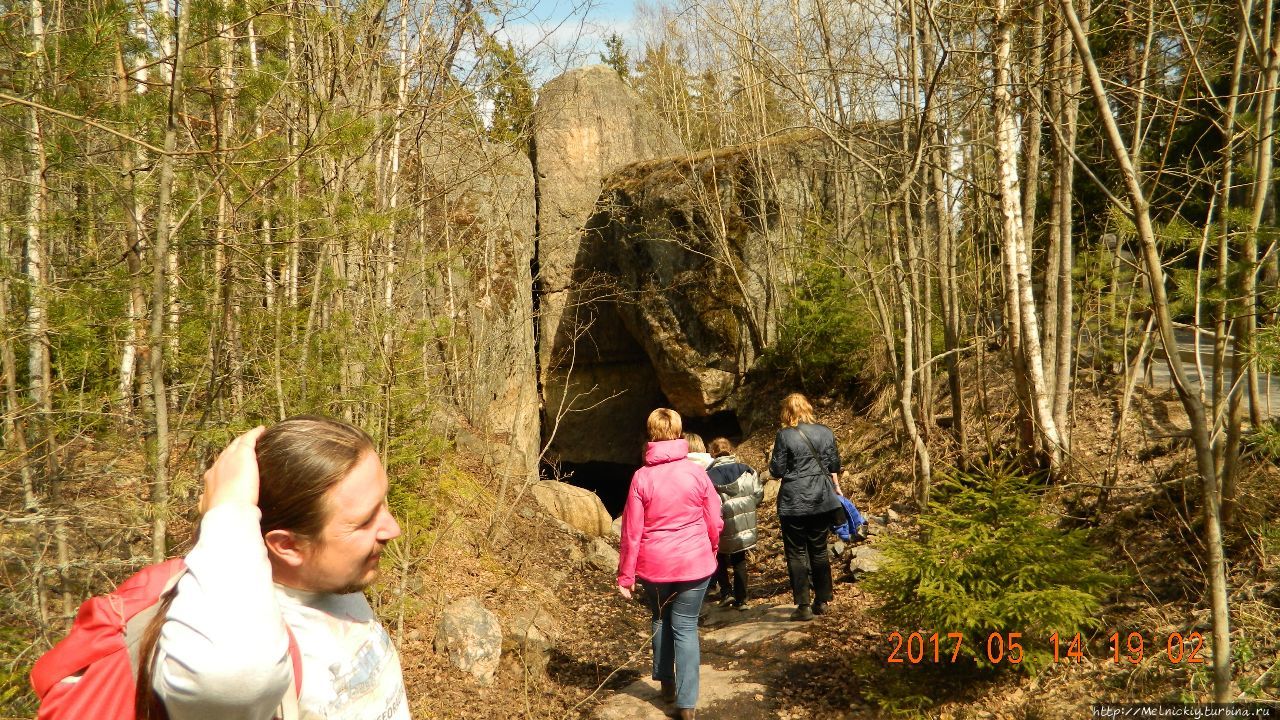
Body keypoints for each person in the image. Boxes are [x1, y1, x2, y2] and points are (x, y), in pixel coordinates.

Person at [138, 415, 408, 720]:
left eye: (382, 503)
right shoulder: (239, 636)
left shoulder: (332, 577)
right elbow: (224, 679)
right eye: (366, 521)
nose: (392, 529)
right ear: (288, 546)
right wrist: (229, 508)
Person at [618, 409, 723, 720]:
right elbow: (714, 519)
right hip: (695, 561)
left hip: (655, 565)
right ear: (679, 433)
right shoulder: (696, 473)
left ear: (651, 434)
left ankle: (666, 682)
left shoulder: (641, 477)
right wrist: (712, 547)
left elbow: (631, 531)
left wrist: (626, 575)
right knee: (686, 627)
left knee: (661, 617)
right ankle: (687, 704)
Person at [768, 393, 844, 622]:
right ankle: (822, 601)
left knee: (796, 553)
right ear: (808, 408)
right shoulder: (825, 431)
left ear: (787, 412)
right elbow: (834, 465)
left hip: (794, 502)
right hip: (821, 498)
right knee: (819, 550)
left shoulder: (784, 435)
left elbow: (777, 470)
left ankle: (803, 606)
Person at [706, 437, 762, 611]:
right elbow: (758, 494)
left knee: (719, 557)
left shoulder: (707, 476)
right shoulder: (747, 470)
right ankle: (742, 600)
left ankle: (726, 592)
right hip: (742, 523)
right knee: (739, 560)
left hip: (720, 522)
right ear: (730, 450)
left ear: (712, 453)